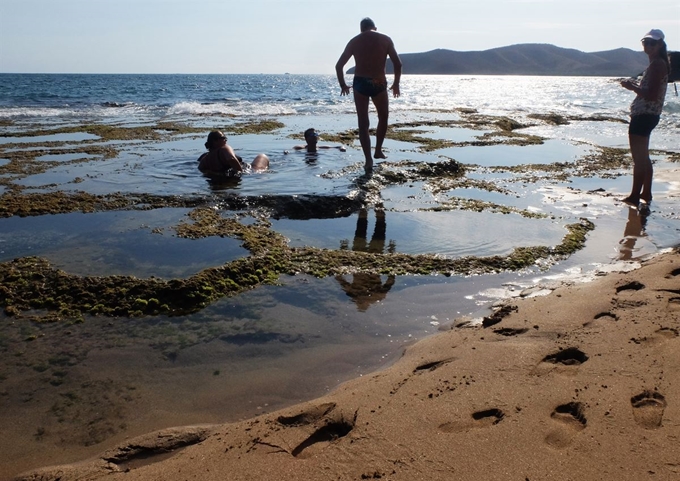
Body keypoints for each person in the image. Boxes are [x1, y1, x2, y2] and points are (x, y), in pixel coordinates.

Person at [335, 17, 402, 173]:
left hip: (360, 83)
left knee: (363, 123)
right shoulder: (385, 39)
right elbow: (398, 64)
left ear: (361, 29)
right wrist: (396, 84)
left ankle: (368, 160)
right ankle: (378, 150)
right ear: (374, 28)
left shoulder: (354, 41)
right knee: (383, 117)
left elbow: (339, 66)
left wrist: (343, 85)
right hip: (379, 82)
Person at [619, 29, 669, 209]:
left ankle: (634, 195)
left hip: (644, 115)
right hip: (649, 115)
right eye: (645, 42)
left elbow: (652, 94)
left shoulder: (657, 65)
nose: (648, 46)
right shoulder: (658, 63)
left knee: (639, 159)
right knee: (644, 157)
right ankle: (646, 192)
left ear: (660, 44)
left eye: (652, 43)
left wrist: (631, 87)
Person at [197, 130, 269, 178]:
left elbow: (202, 170)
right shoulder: (224, 148)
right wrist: (240, 173)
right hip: (249, 171)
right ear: (215, 141)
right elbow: (231, 158)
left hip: (221, 178)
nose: (226, 140)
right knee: (262, 156)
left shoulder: (204, 159)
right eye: (223, 138)